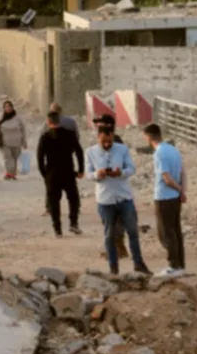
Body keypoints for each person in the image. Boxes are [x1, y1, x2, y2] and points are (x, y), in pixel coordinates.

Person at [85, 126, 150, 275]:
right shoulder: (90, 152)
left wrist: (121, 173)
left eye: (110, 141)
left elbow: (132, 169)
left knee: (132, 232)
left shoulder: (122, 149)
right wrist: (97, 174)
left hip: (124, 197)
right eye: (104, 141)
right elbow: (88, 174)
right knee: (109, 235)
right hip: (105, 199)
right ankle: (113, 268)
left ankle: (138, 264)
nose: (107, 144)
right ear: (98, 137)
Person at [144, 123, 187, 278]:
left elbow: (166, 178)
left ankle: (173, 265)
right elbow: (183, 172)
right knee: (175, 230)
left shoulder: (159, 153)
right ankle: (180, 264)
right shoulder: (173, 149)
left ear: (148, 137)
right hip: (175, 197)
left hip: (164, 197)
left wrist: (179, 189)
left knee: (165, 233)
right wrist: (182, 191)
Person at [37, 111, 85, 237]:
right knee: (73, 198)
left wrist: (45, 174)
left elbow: (40, 158)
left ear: (48, 122)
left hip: (52, 174)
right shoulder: (70, 134)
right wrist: (81, 170)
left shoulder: (45, 137)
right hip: (68, 172)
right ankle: (73, 223)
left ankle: (57, 229)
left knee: (54, 202)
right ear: (59, 120)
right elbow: (79, 152)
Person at [0, 101, 29, 180]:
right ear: (3, 108)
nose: (8, 108)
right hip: (4, 141)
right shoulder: (0, 116)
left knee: (15, 158)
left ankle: (12, 174)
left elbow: (23, 130)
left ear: (12, 107)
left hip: (16, 141)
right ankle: (8, 173)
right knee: (7, 157)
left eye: (9, 106)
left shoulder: (18, 117)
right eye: (6, 106)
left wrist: (24, 142)